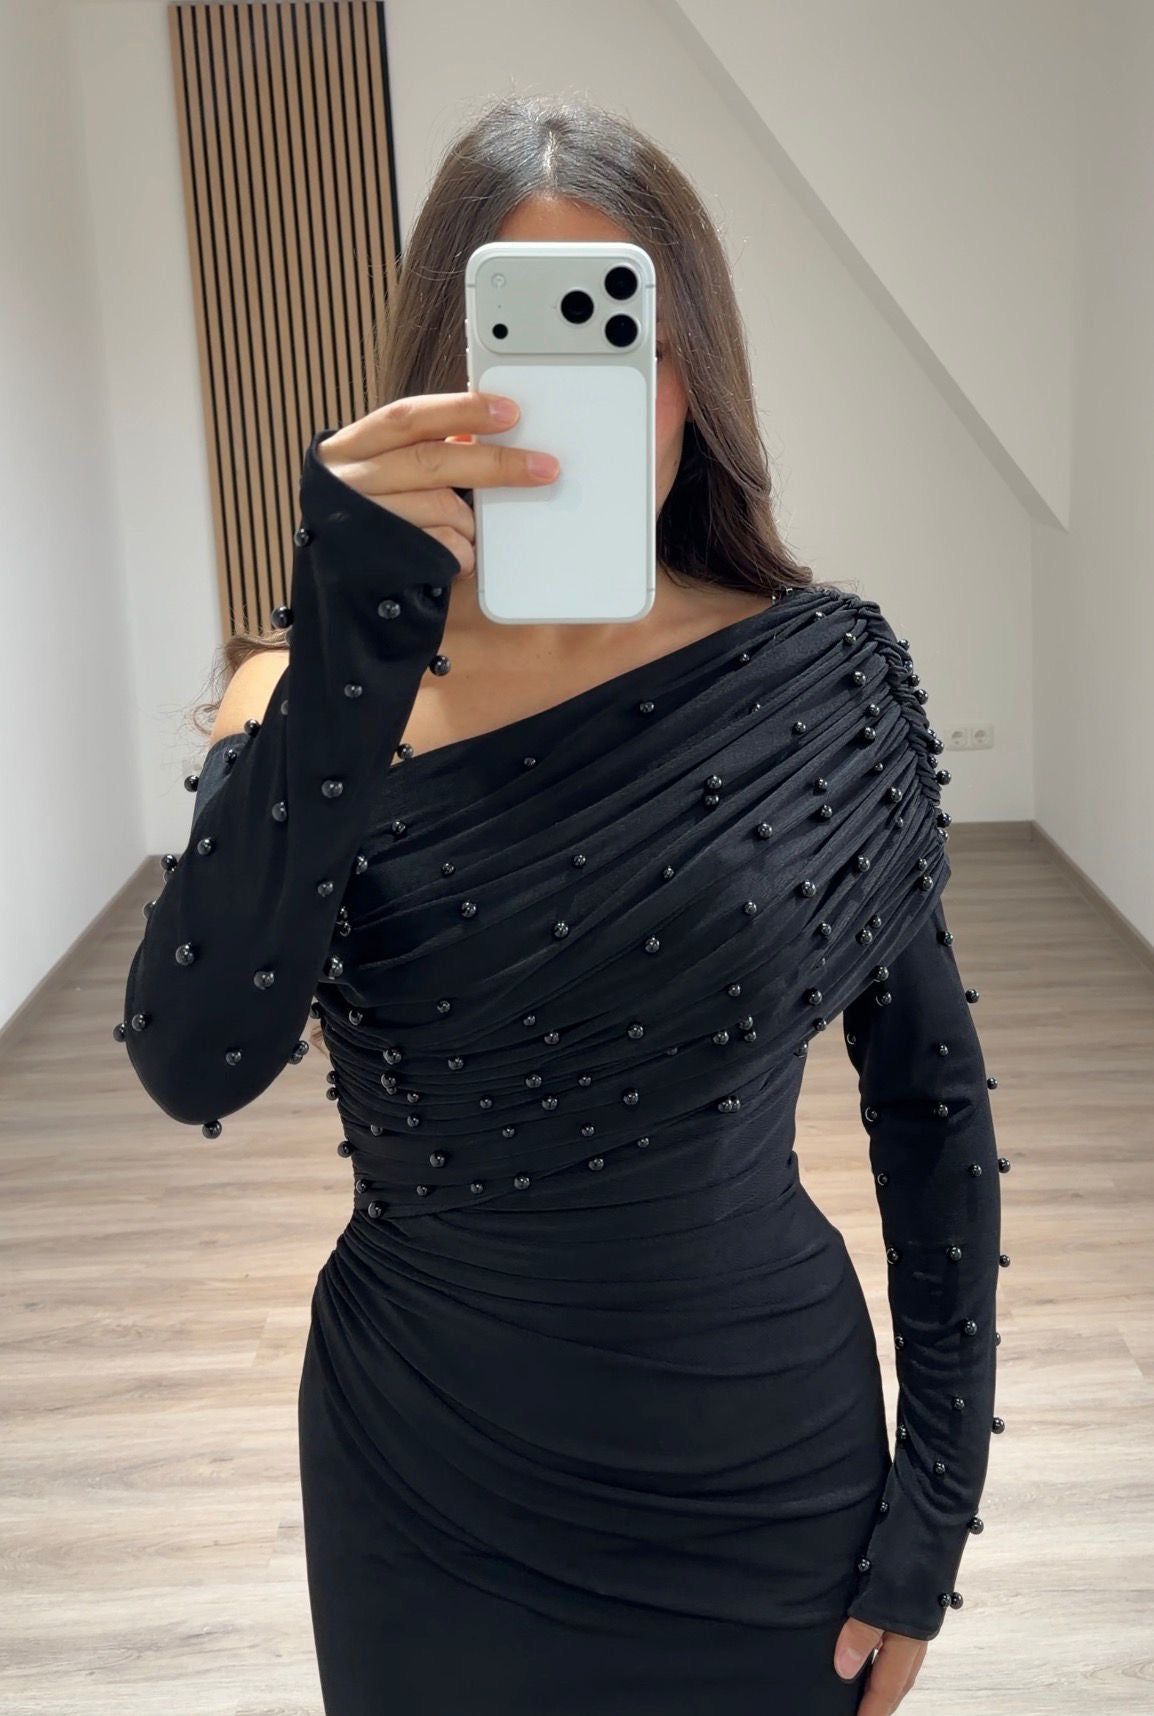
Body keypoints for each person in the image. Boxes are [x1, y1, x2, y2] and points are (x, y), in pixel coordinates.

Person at [116, 94, 1003, 1716]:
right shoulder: (307, 698)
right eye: (524, 349)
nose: (589, 409)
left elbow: (929, 1106)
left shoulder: (822, 674)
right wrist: (351, 637)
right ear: (440, 381)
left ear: (697, 374)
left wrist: (931, 1510)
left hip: (765, 1471)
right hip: (424, 1479)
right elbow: (195, 1060)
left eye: (631, 344)